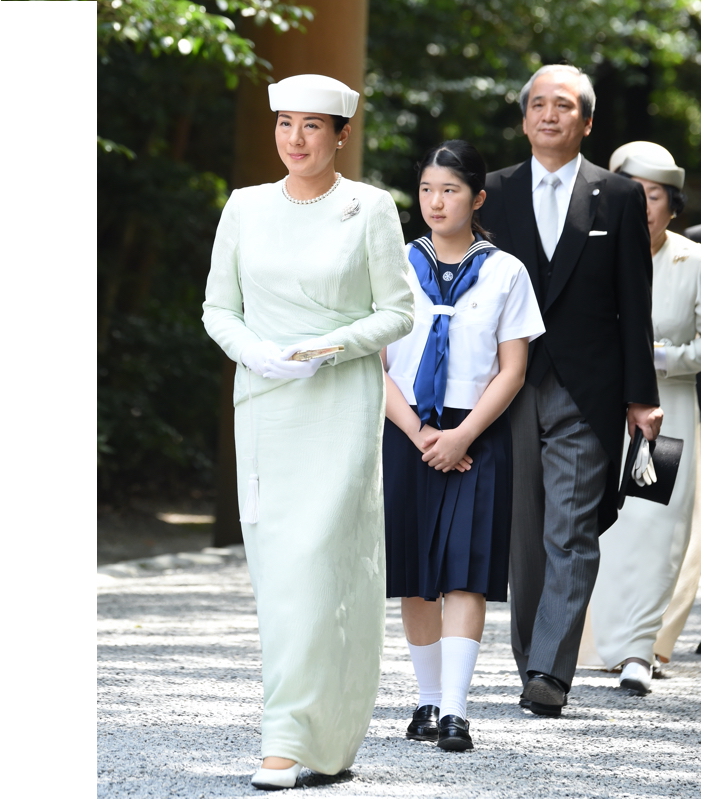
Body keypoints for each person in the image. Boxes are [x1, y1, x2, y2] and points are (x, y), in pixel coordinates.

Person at [202, 74, 414, 790]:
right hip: (264, 403)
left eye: (313, 127)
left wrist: (329, 348)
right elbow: (216, 308)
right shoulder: (244, 207)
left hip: (338, 403)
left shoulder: (371, 208)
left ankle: (292, 742)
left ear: (342, 135)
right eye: (285, 124)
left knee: (322, 570)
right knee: (280, 577)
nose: (296, 139)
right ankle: (307, 743)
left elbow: (398, 312)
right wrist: (256, 353)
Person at [479, 64, 663, 717]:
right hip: (507, 382)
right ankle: (532, 655)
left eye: (563, 106)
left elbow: (632, 301)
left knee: (571, 527)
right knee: (525, 532)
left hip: (588, 386)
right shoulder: (491, 193)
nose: (548, 114)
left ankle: (551, 672)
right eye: (538, 104)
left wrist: (641, 395)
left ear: (585, 122)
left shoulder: (616, 196)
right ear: (524, 117)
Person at [382, 140, 544, 751]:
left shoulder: (506, 271)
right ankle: (424, 703)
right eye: (426, 189)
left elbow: (513, 369)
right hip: (407, 429)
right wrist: (420, 433)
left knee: (465, 571)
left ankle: (455, 711)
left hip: (477, 430)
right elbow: (377, 364)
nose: (435, 201)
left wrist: (463, 435)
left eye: (449, 190)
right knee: (416, 575)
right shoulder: (395, 265)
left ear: (476, 198)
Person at [578, 141, 701, 694]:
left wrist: (657, 358)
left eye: (653, 197)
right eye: (634, 195)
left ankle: (639, 650)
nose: (643, 207)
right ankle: (596, 644)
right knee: (604, 523)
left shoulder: (694, 263)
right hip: (600, 409)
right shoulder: (592, 251)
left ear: (671, 205)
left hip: (665, 412)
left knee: (654, 524)